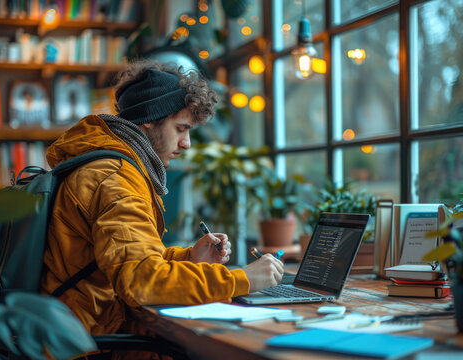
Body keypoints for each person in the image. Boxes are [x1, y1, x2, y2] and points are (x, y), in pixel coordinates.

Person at [40, 59, 284, 336]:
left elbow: (124, 260)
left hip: (79, 325)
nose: (187, 143)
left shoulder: (108, 165)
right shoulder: (115, 178)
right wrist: (241, 279)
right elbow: (140, 281)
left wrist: (188, 257)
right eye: (181, 128)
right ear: (149, 119)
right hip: (87, 339)